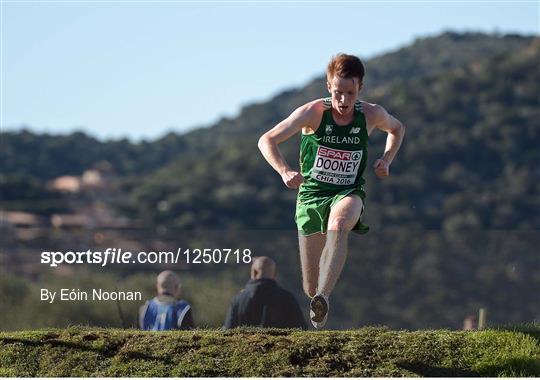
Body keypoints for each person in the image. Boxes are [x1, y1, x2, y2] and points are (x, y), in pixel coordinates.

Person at [258, 53, 405, 328]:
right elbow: (267, 140)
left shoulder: (371, 114)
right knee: (309, 285)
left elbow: (397, 129)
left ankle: (325, 295)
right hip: (311, 195)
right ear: (329, 87)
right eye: (338, 92)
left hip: (348, 192)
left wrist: (386, 159)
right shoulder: (312, 113)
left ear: (360, 88)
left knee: (338, 224)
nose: (344, 101)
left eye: (350, 93)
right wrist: (284, 170)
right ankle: (317, 296)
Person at [223, 256, 307, 329]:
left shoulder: (238, 299)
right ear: (274, 274)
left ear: (254, 272)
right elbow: (301, 328)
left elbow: (228, 331)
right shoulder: (287, 298)